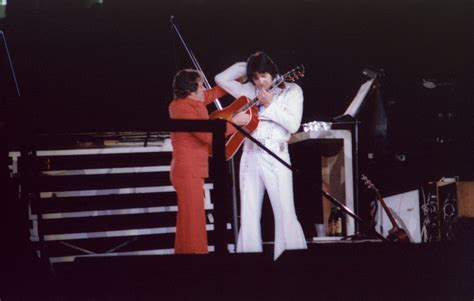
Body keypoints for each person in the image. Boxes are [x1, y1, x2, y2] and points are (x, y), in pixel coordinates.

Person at [215, 51, 307, 259]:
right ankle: (248, 263)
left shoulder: (292, 90)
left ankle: (291, 260)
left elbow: (293, 125)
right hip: (249, 152)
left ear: (273, 72)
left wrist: (270, 105)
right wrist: (247, 66)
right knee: (248, 212)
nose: (260, 82)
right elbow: (220, 79)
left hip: (275, 152)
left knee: (284, 211)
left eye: (263, 76)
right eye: (255, 77)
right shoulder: (249, 89)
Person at [169, 69, 249, 254]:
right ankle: (197, 259)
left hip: (189, 170)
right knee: (194, 221)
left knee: (188, 220)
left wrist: (236, 79)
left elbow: (213, 93)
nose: (204, 88)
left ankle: (185, 258)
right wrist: (234, 122)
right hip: (188, 170)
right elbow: (208, 136)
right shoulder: (183, 109)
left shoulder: (189, 102)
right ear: (191, 89)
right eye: (200, 85)